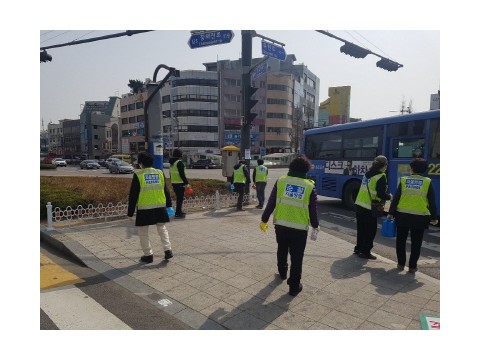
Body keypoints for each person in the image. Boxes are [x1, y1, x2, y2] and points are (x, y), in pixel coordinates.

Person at [260, 155, 319, 296]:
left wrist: (264, 219)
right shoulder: (309, 186)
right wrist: (315, 226)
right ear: (307, 170)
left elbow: (271, 202)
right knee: (297, 257)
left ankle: (282, 272)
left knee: (282, 248)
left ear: (291, 167)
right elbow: (313, 210)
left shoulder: (281, 181)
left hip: (281, 225)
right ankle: (294, 286)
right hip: (299, 229)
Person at [388, 158, 438, 273]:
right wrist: (434, 218)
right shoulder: (427, 182)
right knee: (416, 243)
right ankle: (412, 267)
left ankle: (400, 264)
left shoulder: (404, 180)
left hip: (402, 216)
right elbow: (432, 202)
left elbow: (396, 199)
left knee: (400, 240)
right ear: (425, 169)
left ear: (412, 168)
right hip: (420, 218)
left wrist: (391, 213)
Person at [127, 151, 174, 263]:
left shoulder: (138, 175)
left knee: (143, 232)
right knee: (162, 229)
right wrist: (169, 205)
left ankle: (148, 255)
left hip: (144, 209)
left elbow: (133, 195)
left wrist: (130, 212)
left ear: (141, 163)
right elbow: (166, 190)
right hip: (160, 207)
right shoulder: (159, 173)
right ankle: (168, 250)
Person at [354, 155, 392, 260]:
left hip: (359, 205)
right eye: (386, 165)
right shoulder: (381, 176)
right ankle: (365, 252)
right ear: (384, 166)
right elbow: (380, 194)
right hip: (370, 207)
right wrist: (390, 197)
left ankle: (358, 249)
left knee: (361, 229)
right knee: (370, 231)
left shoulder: (367, 174)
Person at [169, 148, 190, 218]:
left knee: (179, 198)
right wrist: (186, 183)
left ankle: (179, 211)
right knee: (180, 199)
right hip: (180, 183)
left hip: (174, 183)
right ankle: (178, 213)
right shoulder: (179, 163)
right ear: (180, 154)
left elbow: (170, 173)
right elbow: (182, 174)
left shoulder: (171, 163)